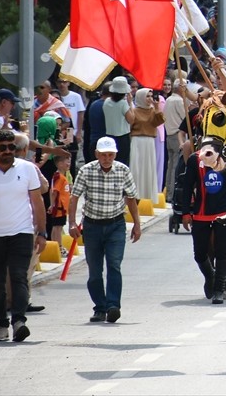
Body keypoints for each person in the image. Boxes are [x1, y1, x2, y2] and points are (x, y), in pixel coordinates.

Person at [69, 136, 142, 324]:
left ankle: (113, 306)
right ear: (97, 154)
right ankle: (99, 307)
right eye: (103, 155)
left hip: (116, 225)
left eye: (110, 155)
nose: (107, 158)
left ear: (115, 154)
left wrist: (137, 224)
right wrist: (71, 223)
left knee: (114, 265)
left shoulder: (123, 171)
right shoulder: (86, 171)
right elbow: (74, 197)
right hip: (92, 226)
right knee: (94, 271)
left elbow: (131, 198)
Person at [0, 129, 47, 342]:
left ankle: (19, 321)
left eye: (11, 147)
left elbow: (37, 202)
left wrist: (41, 232)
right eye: (2, 148)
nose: (8, 151)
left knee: (19, 276)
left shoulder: (26, 169)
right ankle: (1, 324)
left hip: (22, 232)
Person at [179, 137, 226, 303]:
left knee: (223, 251)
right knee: (199, 253)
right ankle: (210, 276)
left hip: (224, 213)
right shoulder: (194, 160)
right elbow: (188, 186)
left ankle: (219, 289)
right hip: (200, 213)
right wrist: (185, 213)